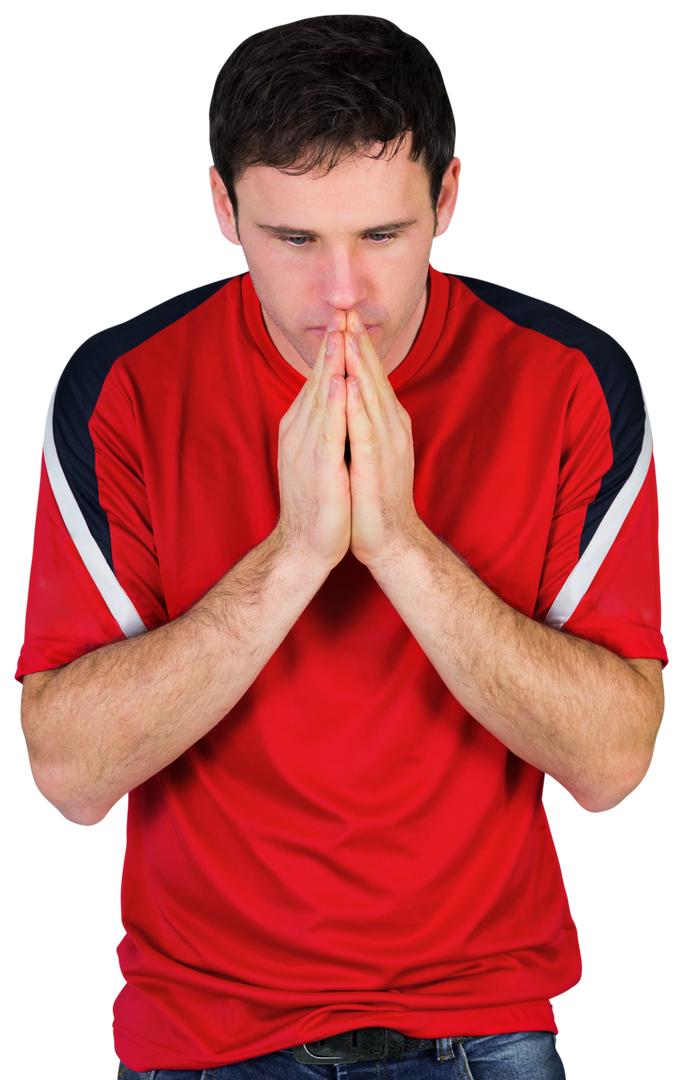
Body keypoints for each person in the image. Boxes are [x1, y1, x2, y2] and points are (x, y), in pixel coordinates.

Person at [13, 11, 669, 1080]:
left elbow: (608, 767)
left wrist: (401, 545)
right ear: (223, 206)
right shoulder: (120, 385)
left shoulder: (572, 377)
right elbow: (70, 777)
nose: (341, 296)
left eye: (380, 236)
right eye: (293, 239)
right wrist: (297, 554)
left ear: (447, 198)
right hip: (202, 1038)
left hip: (484, 1024)